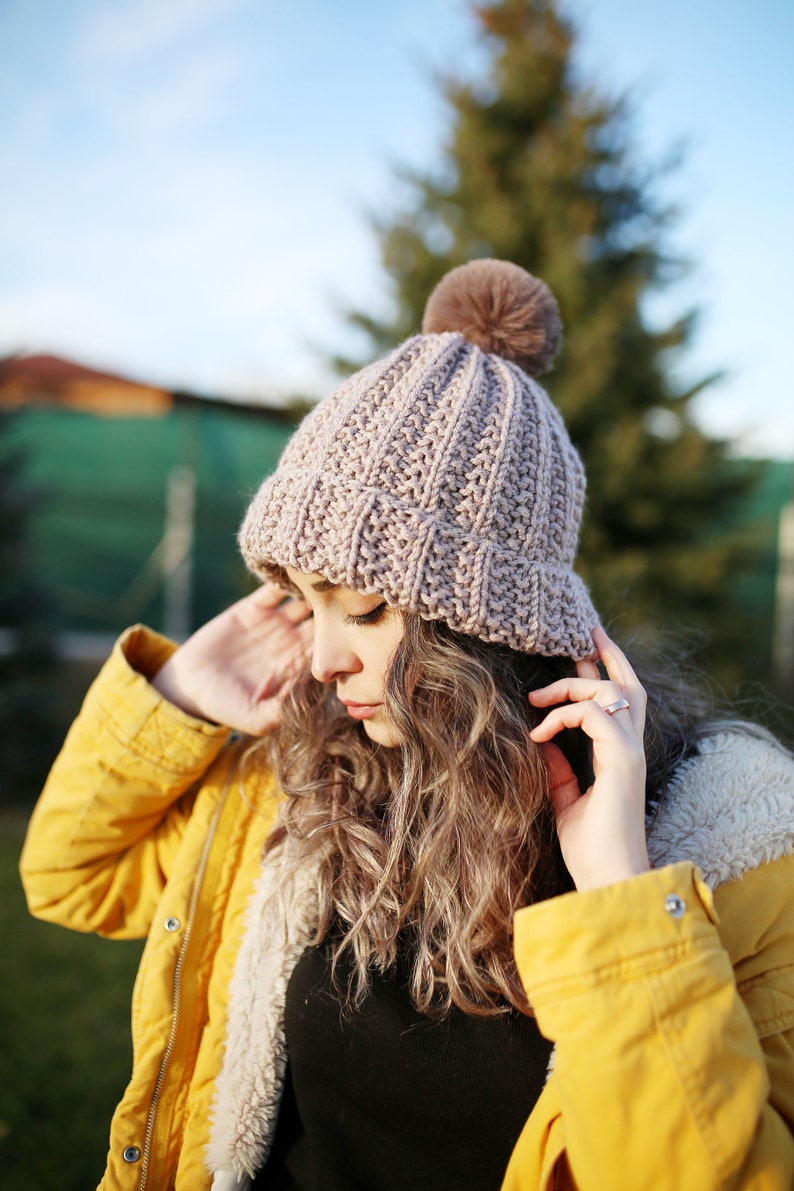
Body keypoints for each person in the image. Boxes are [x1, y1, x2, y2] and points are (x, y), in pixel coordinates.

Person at [20, 260, 794, 1191]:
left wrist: (625, 905)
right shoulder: (305, 775)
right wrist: (179, 692)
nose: (319, 657)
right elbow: (71, 880)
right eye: (304, 602)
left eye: (368, 608)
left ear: (490, 625)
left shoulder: (740, 847)